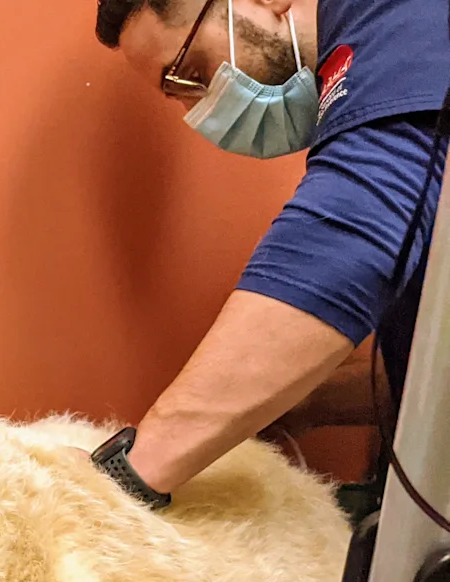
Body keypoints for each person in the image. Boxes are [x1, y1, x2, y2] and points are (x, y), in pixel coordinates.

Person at [86, 0, 449, 509]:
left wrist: (133, 472)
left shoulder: (399, 14)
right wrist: (305, 402)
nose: (198, 112)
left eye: (193, 74)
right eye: (178, 95)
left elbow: (353, 233)